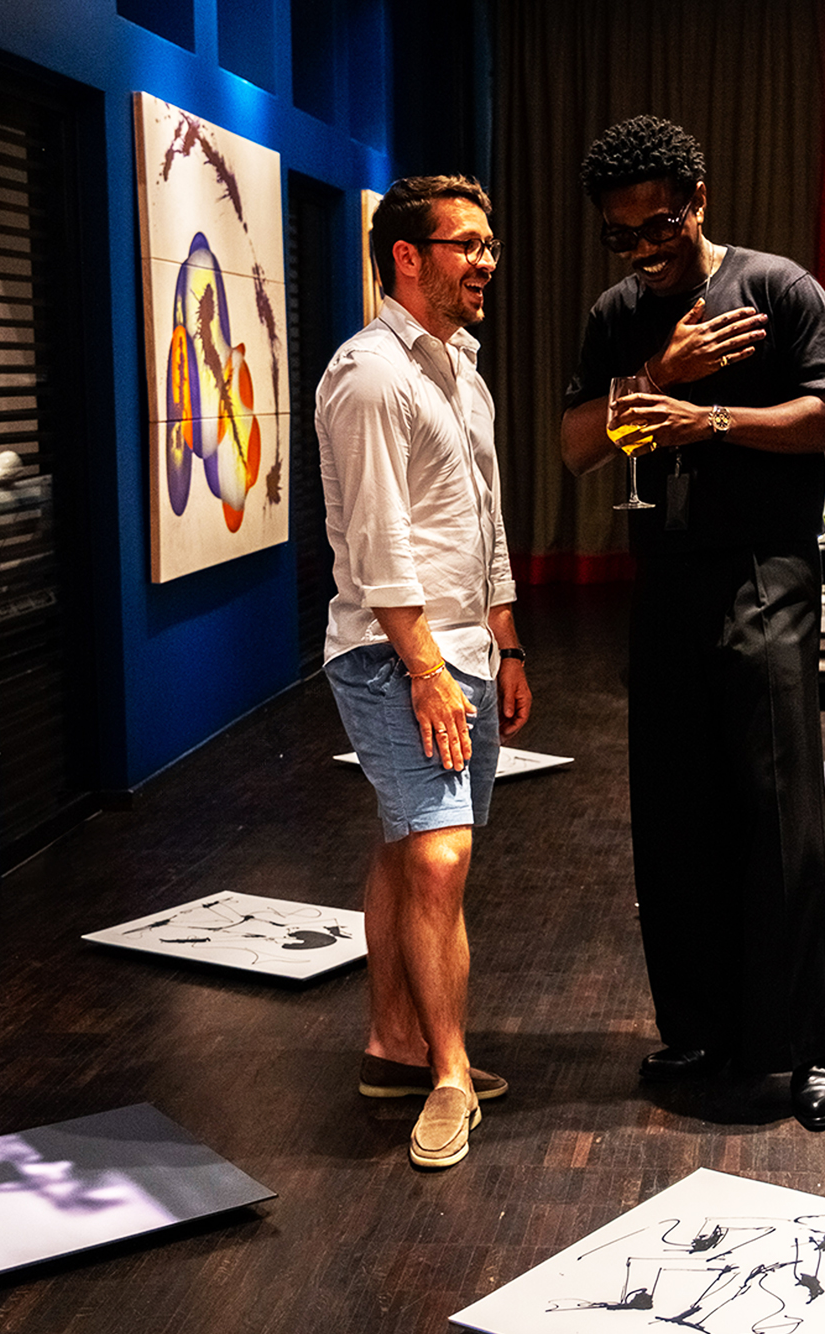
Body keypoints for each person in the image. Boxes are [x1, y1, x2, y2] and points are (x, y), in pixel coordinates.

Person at [561, 116, 825, 1131]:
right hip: (665, 577)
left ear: (697, 201)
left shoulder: (776, 288)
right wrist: (661, 378)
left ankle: (807, 1049)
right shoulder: (617, 314)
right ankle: (696, 1028)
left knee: (778, 813)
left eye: (656, 228)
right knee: (673, 813)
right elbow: (575, 446)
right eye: (621, 236)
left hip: (764, 569)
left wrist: (715, 421)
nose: (641, 252)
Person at [317, 175, 532, 1168]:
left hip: (465, 651)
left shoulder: (462, 372)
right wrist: (427, 669)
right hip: (396, 656)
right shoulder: (369, 375)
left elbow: (481, 519)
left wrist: (505, 639)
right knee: (441, 857)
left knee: (410, 844)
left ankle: (391, 1045)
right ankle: (447, 1073)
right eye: (467, 245)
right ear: (407, 256)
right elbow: (379, 543)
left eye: (489, 245)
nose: (485, 261)